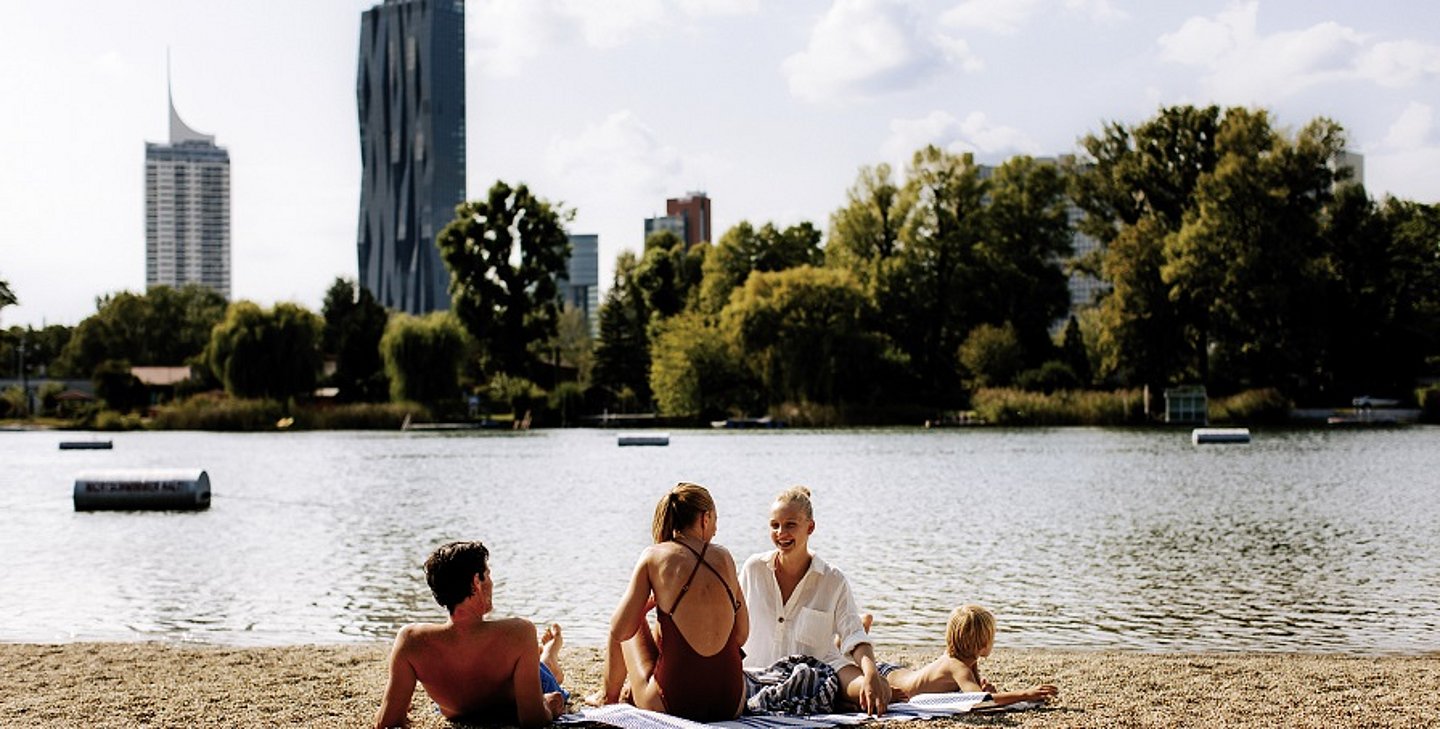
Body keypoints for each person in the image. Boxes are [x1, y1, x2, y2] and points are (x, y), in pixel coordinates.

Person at [596, 482, 750, 721]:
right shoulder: (725, 557)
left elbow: (620, 630)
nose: (716, 529)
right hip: (730, 702)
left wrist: (642, 611)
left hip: (674, 706)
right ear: (705, 518)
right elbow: (741, 635)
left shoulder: (653, 556)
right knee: (668, 624)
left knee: (627, 621)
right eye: (716, 520)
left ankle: (608, 698)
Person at [374, 541, 568, 729]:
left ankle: (547, 655)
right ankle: (550, 657)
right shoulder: (519, 632)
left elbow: (386, 722)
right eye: (488, 575)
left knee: (533, 661)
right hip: (519, 688)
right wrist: (549, 706)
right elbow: (533, 720)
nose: (492, 582)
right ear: (477, 582)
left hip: (457, 707)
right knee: (544, 671)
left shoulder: (411, 640)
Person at [738, 486, 893, 715]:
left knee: (880, 689)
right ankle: (835, 702)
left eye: (790, 524)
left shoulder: (833, 579)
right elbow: (731, 622)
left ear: (810, 527)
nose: (781, 532)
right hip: (756, 674)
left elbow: (854, 633)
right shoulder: (754, 569)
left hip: (819, 675)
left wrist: (871, 674)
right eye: (775, 525)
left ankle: (843, 696)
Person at [882, 604, 1058, 707]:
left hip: (898, 673)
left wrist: (987, 693)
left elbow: (977, 694)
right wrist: (1024, 694)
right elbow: (978, 702)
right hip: (885, 678)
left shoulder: (967, 659)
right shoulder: (958, 666)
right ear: (982, 644)